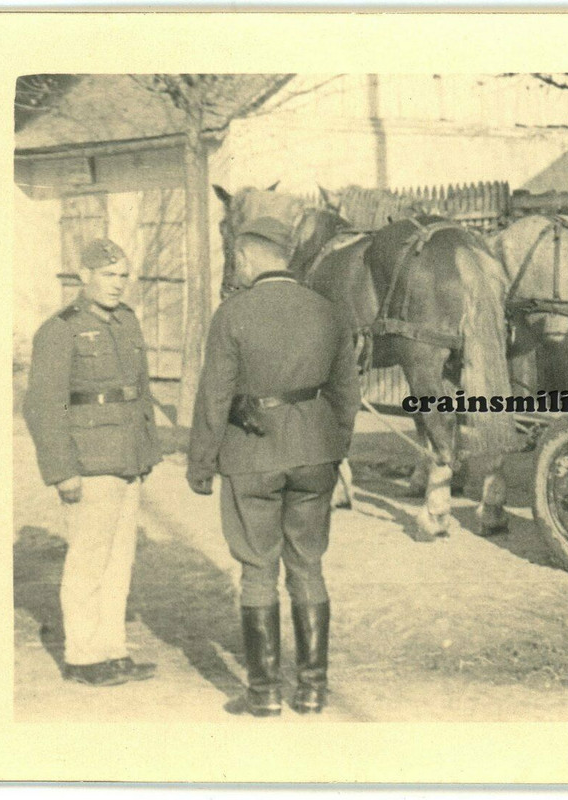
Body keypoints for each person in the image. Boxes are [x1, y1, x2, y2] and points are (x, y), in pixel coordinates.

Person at [186, 216, 359, 717]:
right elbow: (347, 393)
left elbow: (214, 395)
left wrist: (201, 461)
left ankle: (263, 694)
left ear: (247, 258)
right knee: (308, 566)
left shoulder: (233, 314)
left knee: (258, 570)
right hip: (314, 455)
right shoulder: (328, 312)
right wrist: (334, 446)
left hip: (250, 455)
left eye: (238, 260)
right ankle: (312, 689)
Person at [23, 238, 162, 687]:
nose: (117, 284)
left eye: (122, 275)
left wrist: (146, 452)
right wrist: (62, 472)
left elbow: (139, 393)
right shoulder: (60, 329)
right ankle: (83, 656)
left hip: (127, 459)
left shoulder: (127, 322)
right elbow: (43, 406)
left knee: (119, 562)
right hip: (89, 462)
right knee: (88, 560)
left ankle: (112, 650)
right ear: (84, 276)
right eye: (108, 275)